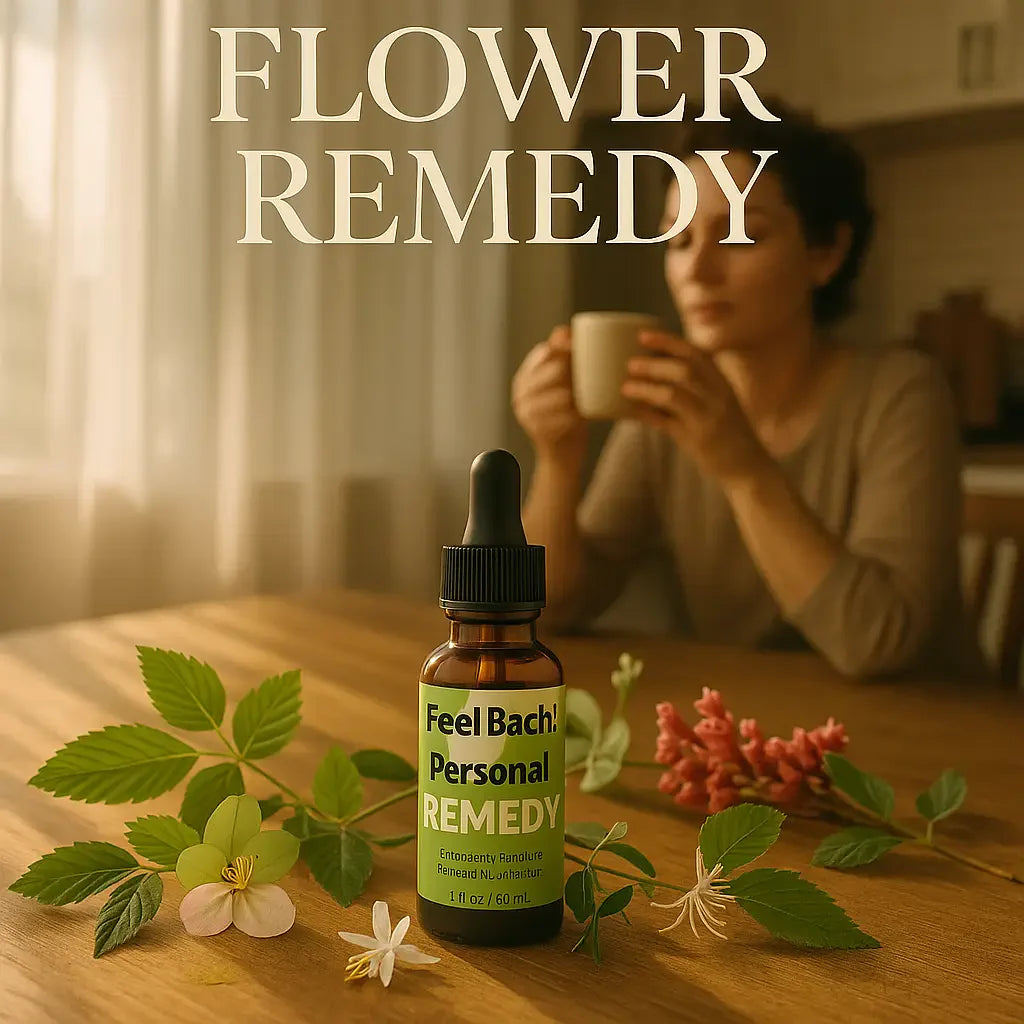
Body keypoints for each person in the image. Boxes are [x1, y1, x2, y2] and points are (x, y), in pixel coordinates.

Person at [512, 98, 978, 679]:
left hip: (924, 728)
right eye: (679, 240)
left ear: (826, 253)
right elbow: (547, 610)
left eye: (739, 234)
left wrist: (739, 465)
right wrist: (556, 461)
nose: (697, 270)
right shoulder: (666, 408)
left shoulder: (901, 393)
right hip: (752, 720)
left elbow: (876, 642)